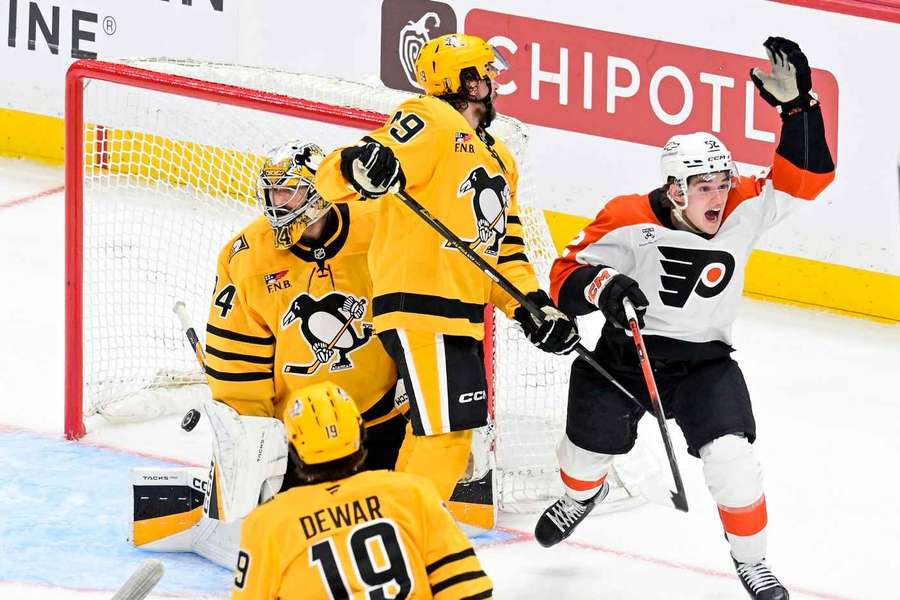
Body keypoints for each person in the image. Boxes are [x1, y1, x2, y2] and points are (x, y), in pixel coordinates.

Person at [533, 37, 834, 600]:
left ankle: (754, 561)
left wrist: (799, 109)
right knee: (584, 453)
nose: (718, 196)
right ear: (675, 189)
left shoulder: (744, 203)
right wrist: (604, 285)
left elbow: (807, 180)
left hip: (703, 362)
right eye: (703, 187)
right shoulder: (627, 217)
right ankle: (580, 497)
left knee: (734, 460)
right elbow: (564, 276)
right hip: (626, 354)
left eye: (722, 182)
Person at [314, 33, 579, 525]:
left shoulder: (499, 157)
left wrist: (532, 306)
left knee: (442, 434)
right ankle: (403, 540)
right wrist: (360, 167)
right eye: (485, 73)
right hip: (421, 304)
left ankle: (393, 533)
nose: (493, 81)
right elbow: (342, 171)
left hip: (459, 313)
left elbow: (504, 252)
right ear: (463, 82)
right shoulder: (431, 117)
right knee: (447, 433)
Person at [129, 140, 408, 568]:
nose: (277, 205)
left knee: (390, 535)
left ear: (321, 193)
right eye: (272, 193)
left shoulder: (380, 227)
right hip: (301, 435)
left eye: (289, 192)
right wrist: (250, 447)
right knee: (288, 549)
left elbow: (420, 313)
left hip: (382, 417)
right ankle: (212, 516)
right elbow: (235, 364)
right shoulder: (246, 257)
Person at [233, 381, 494, 600]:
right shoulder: (414, 494)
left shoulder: (269, 522)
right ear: (360, 435)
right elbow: (467, 588)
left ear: (294, 451)